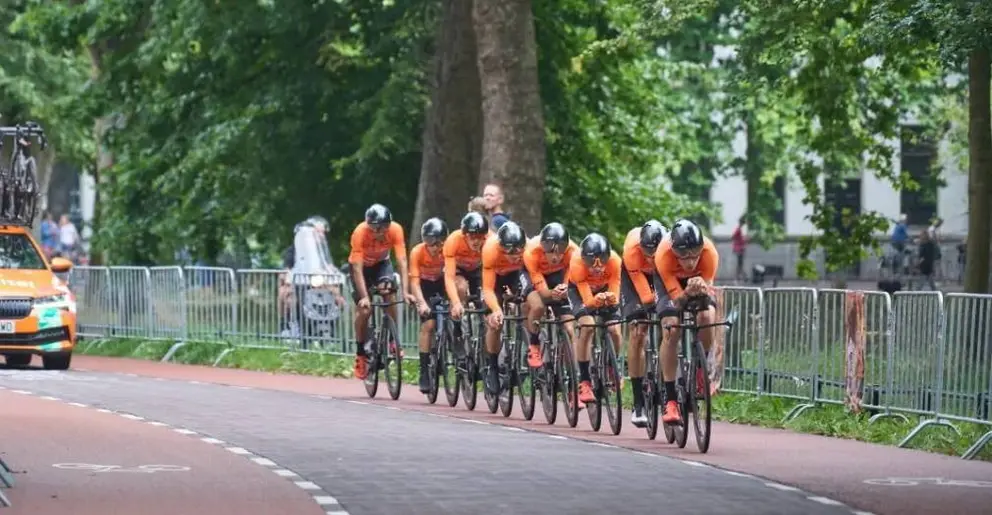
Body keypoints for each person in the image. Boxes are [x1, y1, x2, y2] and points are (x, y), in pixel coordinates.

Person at [654, 219, 719, 425]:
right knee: (671, 328)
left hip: (697, 282)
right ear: (674, 251)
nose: (690, 262)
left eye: (695, 253)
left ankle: (700, 370)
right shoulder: (663, 256)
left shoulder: (709, 253)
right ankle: (670, 399)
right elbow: (678, 301)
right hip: (670, 285)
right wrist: (687, 292)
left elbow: (707, 292)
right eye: (684, 256)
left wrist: (701, 289)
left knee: (706, 316)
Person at [348, 204, 415, 380]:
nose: (379, 232)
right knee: (365, 310)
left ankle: (393, 340)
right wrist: (364, 297)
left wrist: (406, 292)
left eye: (383, 227)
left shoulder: (395, 230)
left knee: (389, 292)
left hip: (381, 265)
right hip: (361, 269)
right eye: (375, 228)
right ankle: (360, 352)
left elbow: (402, 261)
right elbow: (357, 268)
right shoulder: (360, 232)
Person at [619, 219, 670, 427]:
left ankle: (667, 382)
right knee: (639, 330)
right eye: (648, 254)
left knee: (669, 323)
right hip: (635, 279)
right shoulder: (632, 251)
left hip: (662, 273)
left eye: (654, 254)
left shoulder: (668, 249)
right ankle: (638, 401)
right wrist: (650, 306)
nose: (651, 258)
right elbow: (647, 297)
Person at [568, 232, 622, 405]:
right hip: (579, 293)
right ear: (584, 259)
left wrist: (610, 299)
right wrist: (595, 302)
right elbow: (588, 302)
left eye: (602, 261)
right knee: (588, 325)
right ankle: (584, 380)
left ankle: (611, 366)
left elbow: (615, 296)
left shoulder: (615, 262)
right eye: (592, 262)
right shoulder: (577, 264)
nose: (598, 267)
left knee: (614, 328)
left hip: (604, 289)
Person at [481, 221, 531, 396]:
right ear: (501, 248)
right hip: (496, 279)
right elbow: (487, 288)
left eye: (519, 251)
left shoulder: (528, 250)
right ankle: (492, 366)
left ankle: (530, 347)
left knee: (527, 305)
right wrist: (496, 309)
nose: (515, 256)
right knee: (495, 324)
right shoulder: (490, 251)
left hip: (517, 276)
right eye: (510, 252)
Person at [522, 222, 578, 368]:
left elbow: (570, 277)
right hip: (532, 273)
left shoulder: (573, 252)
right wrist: (552, 294)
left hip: (557, 274)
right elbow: (544, 291)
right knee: (538, 306)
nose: (555, 256)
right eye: (550, 251)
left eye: (560, 251)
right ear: (543, 246)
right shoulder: (532, 252)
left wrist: (565, 288)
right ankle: (534, 344)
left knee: (570, 328)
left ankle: (572, 375)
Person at [410, 217, 449, 393]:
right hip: (424, 286)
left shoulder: (448, 251)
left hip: (442, 283)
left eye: (436, 244)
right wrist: (422, 303)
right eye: (428, 243)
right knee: (429, 324)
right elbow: (415, 283)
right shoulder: (418, 252)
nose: (432, 248)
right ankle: (424, 369)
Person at [443, 212, 490, 338]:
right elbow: (449, 277)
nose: (476, 241)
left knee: (485, 301)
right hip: (458, 269)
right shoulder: (453, 240)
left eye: (480, 237)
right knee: (461, 287)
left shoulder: (491, 240)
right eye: (472, 237)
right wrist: (456, 302)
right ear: (464, 235)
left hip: (477, 269)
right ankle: (457, 327)